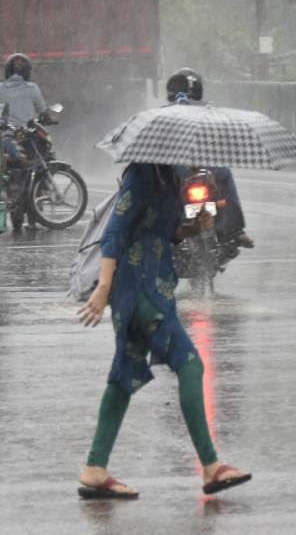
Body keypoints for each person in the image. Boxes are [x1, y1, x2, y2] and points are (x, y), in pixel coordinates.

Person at [76, 162, 251, 499]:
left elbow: (164, 231)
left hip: (157, 284)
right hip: (138, 287)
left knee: (123, 376)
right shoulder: (140, 175)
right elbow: (116, 232)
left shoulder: (169, 177)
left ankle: (95, 468)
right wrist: (103, 287)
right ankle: (211, 465)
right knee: (190, 363)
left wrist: (196, 227)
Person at [164, 68, 254, 248]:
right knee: (226, 174)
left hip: (179, 171)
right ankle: (236, 229)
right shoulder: (209, 112)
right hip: (201, 169)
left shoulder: (163, 114)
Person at [0, 53, 47, 127]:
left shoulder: (0, 87)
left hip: (6, 131)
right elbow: (41, 109)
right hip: (27, 131)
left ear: (8, 69)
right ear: (27, 70)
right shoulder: (32, 88)